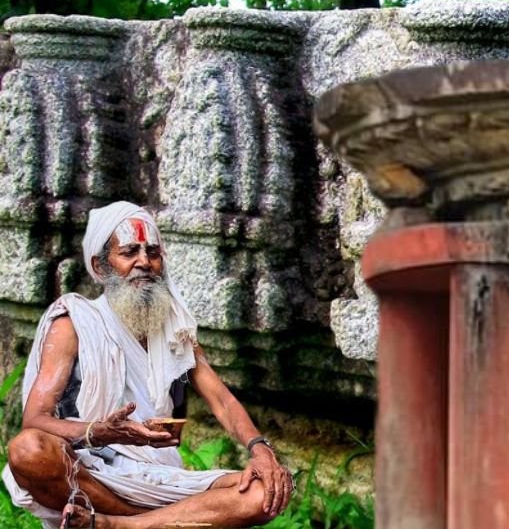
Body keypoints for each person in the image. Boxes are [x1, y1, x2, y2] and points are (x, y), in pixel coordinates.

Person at [1, 202, 292, 528]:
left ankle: (119, 525)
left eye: (152, 252)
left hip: (159, 476)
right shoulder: (74, 322)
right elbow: (34, 421)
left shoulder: (174, 327)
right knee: (27, 450)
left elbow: (221, 400)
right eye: (129, 252)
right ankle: (150, 522)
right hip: (93, 472)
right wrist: (98, 432)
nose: (144, 262)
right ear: (99, 266)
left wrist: (260, 449)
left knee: (269, 490)